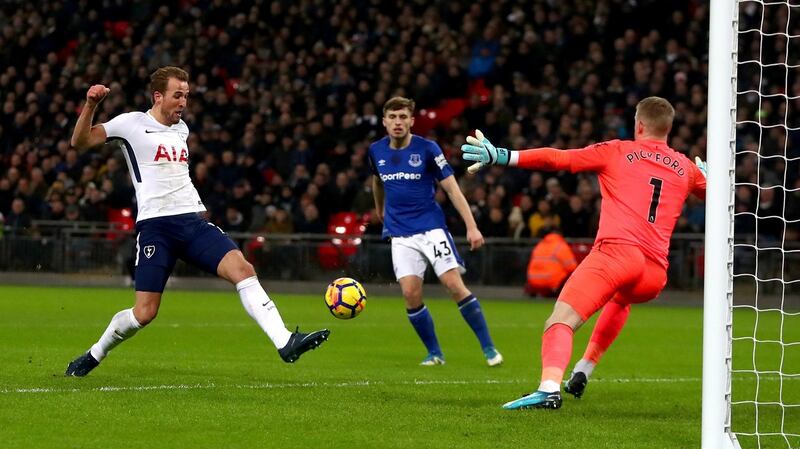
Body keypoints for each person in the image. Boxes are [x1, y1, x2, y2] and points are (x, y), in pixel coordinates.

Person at [64, 66, 330, 377]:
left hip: (192, 222)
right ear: (158, 96)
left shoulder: (182, 130)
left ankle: (285, 341)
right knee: (145, 313)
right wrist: (91, 104)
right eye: (177, 96)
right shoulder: (131, 123)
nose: (183, 102)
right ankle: (95, 354)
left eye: (187, 96)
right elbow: (80, 143)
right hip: (157, 227)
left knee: (243, 269)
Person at [461, 96, 706, 409]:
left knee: (560, 321)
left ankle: (549, 388)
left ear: (639, 124)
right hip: (654, 274)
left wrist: (504, 156)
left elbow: (558, 159)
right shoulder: (686, 167)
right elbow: (713, 194)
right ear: (668, 129)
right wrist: (714, 177)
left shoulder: (619, 151)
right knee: (621, 299)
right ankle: (584, 368)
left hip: (617, 254)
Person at [369, 96, 503, 366]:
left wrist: (472, 226)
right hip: (399, 233)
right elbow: (377, 180)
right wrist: (379, 209)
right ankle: (435, 353)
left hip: (430, 228)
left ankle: (489, 348)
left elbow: (452, 188)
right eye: (393, 117)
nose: (398, 122)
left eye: (403, 117)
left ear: (412, 121)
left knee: (453, 285)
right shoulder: (375, 150)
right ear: (384, 122)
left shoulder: (428, 149)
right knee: (410, 293)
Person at [524, 228, 577, 298]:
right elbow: (572, 267)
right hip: (551, 282)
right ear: (560, 235)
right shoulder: (561, 246)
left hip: (533, 280)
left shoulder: (539, 245)